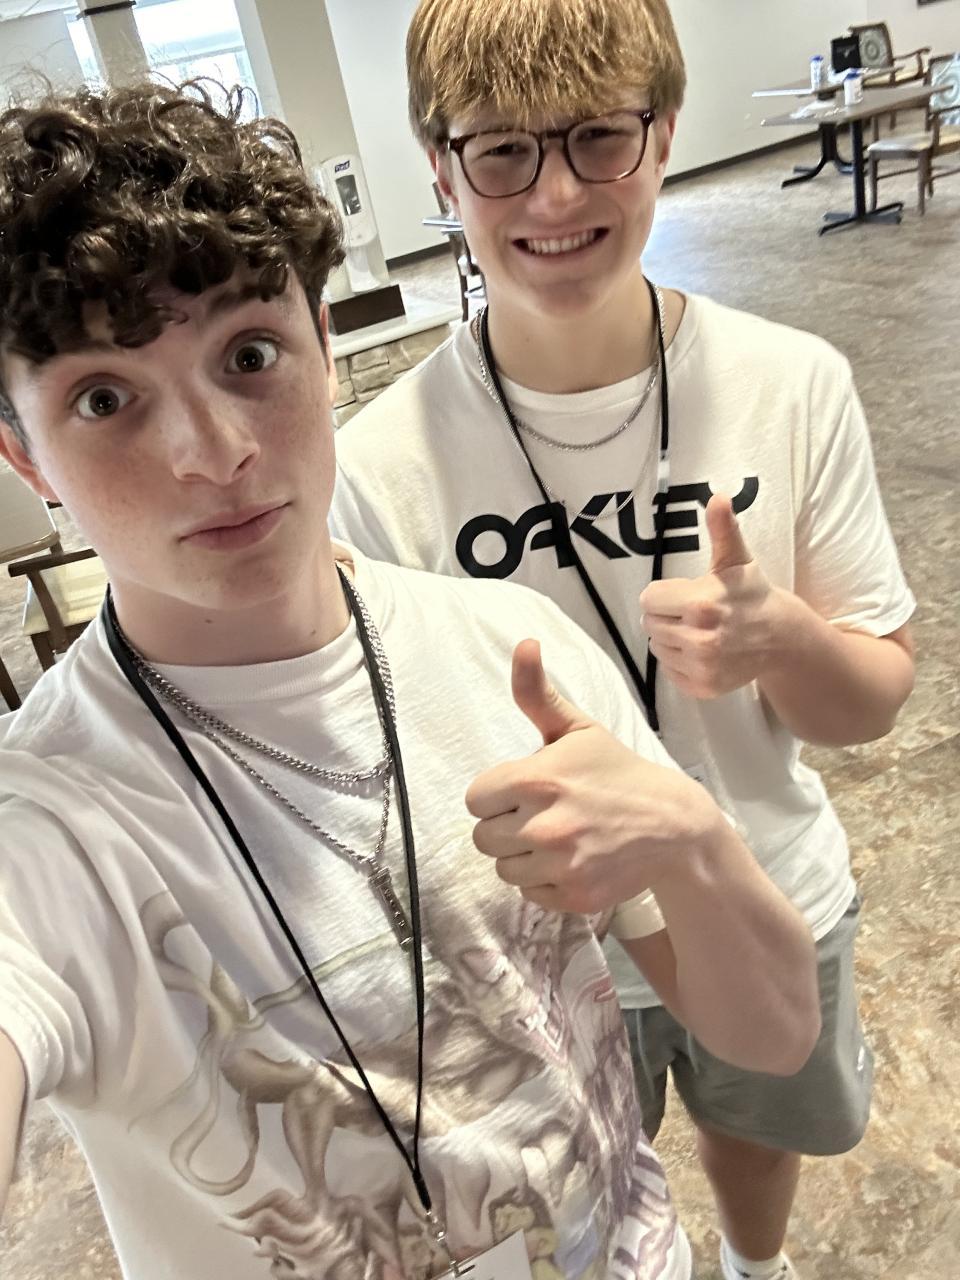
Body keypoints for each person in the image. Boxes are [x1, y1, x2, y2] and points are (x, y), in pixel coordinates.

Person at [0, 81, 820, 1280]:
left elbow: (776, 1033)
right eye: (105, 397)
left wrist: (691, 840)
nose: (215, 451)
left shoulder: (510, 647)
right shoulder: (47, 822)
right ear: (25, 456)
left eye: (249, 354)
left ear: (326, 351)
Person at [328, 2, 917, 1278]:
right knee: (586, 1186)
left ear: (664, 132)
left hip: (769, 892)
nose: (555, 194)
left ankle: (755, 1266)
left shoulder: (791, 381)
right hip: (539, 951)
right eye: (502, 150)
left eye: (599, 136)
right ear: (440, 169)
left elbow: (872, 699)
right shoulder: (377, 469)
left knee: (758, 1132)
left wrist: (785, 640)